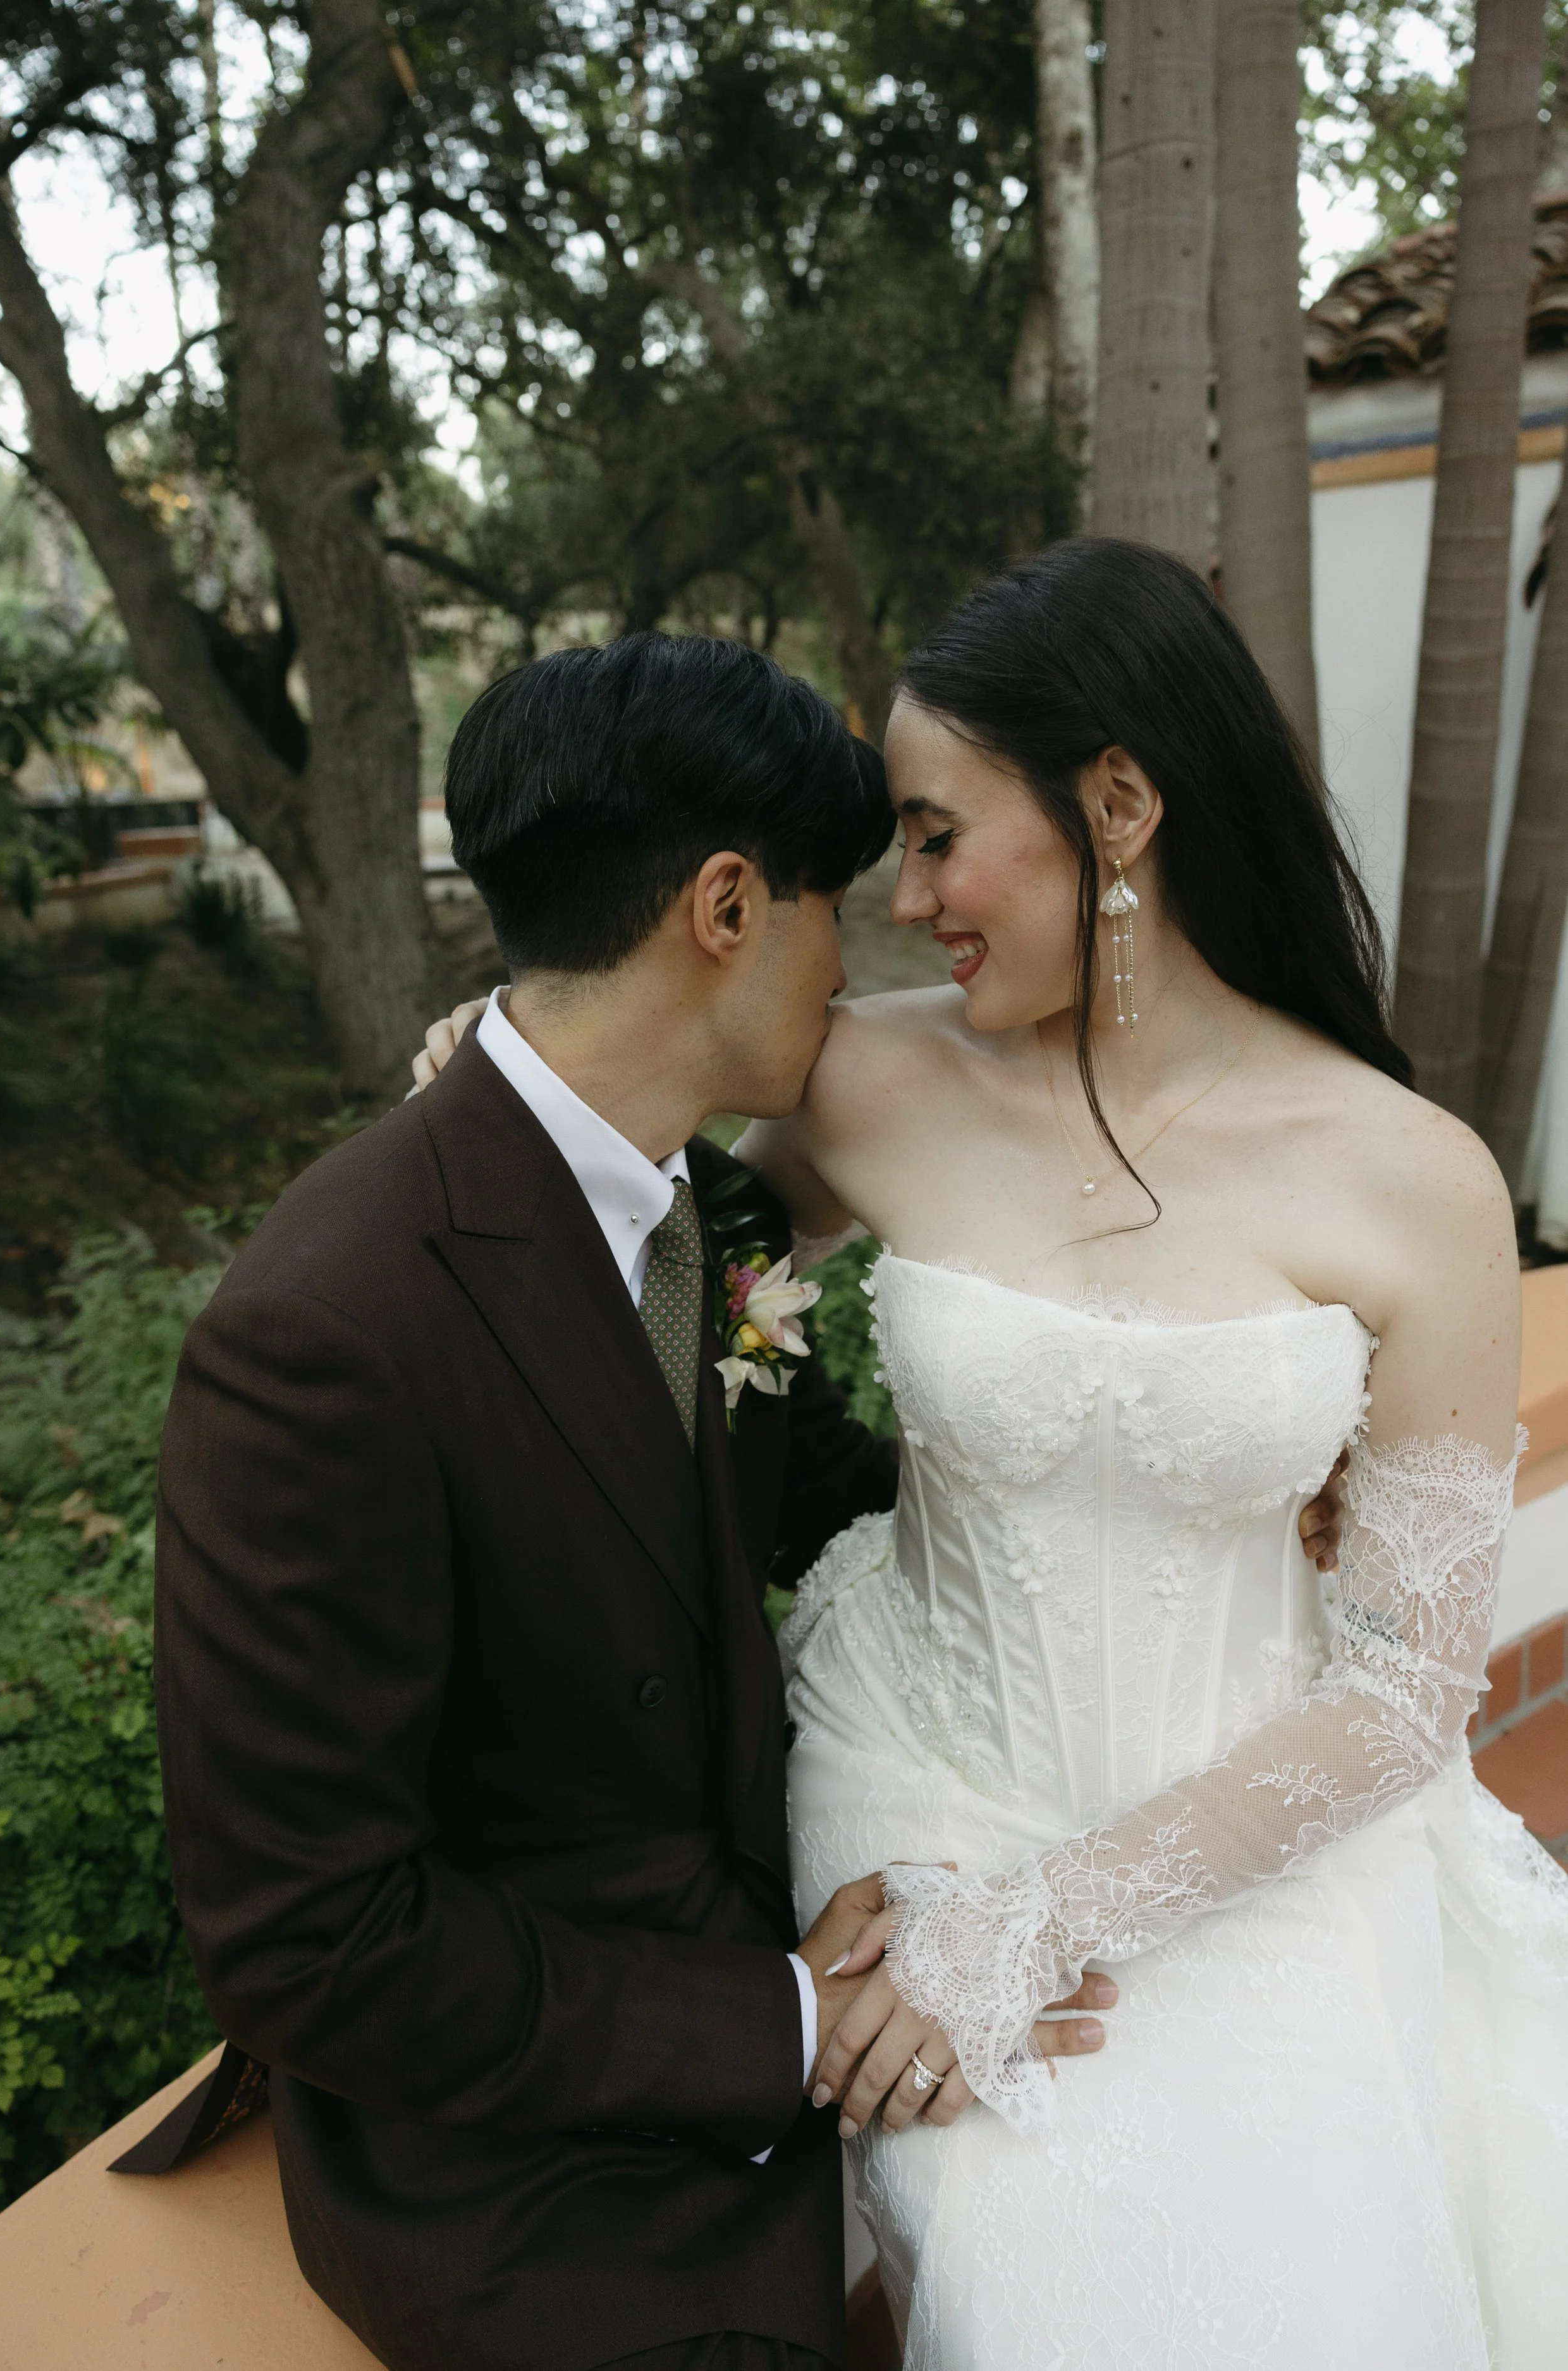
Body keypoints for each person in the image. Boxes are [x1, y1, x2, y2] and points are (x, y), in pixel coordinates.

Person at [149, 632, 1151, 2371]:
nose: (861, 952)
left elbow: (838, 1509)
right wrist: (770, 2016)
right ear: (724, 906)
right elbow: (306, 1940)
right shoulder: (323, 1330)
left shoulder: (713, 1220)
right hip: (526, 2120)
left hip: (773, 1917)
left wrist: (1156, 1491)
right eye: (834, 895)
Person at [744, 539, 1568, 2369]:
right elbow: (631, 1217)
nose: (906, 893)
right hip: (929, 1786)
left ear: (1115, 805)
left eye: (938, 833)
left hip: (1263, 1824)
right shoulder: (863, 1083)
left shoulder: (1410, 1178)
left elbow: (1404, 1689)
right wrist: (474, 1068)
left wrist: (1048, 1921)